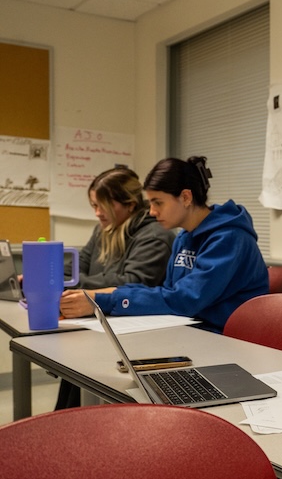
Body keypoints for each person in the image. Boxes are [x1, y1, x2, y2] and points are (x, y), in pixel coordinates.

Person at [60, 156, 268, 333]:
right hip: (190, 331)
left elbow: (184, 300)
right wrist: (108, 293)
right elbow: (168, 291)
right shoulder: (184, 236)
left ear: (185, 197)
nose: (152, 211)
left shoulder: (230, 238)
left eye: (158, 202)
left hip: (226, 338)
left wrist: (105, 300)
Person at [55, 166, 175, 408]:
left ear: (129, 204)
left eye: (103, 206)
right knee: (72, 370)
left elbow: (131, 282)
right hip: (98, 325)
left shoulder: (155, 235)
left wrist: (81, 284)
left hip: (135, 335)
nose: (97, 213)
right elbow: (73, 271)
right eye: (94, 206)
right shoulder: (102, 230)